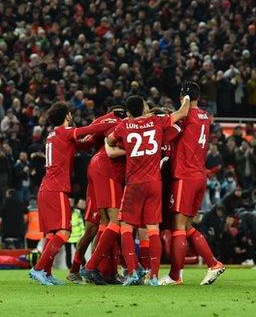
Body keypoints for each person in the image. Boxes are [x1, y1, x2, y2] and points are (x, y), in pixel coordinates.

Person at [103, 93, 190, 286]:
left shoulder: (123, 125)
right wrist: (185, 97)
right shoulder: (156, 121)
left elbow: (109, 141)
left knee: (126, 227)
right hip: (154, 183)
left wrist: (125, 146)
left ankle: (133, 270)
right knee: (153, 228)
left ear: (129, 112)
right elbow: (183, 112)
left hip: (134, 183)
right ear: (143, 108)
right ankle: (154, 276)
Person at [28, 102, 116, 286]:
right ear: (67, 116)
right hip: (56, 188)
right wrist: (114, 120)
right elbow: (91, 129)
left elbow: (85, 143)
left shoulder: (53, 136)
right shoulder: (64, 132)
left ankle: (46, 272)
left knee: (52, 234)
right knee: (64, 232)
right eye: (69, 115)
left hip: (46, 188)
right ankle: (38, 269)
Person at [161, 82, 225, 286]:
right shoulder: (205, 117)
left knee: (178, 226)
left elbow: (166, 132)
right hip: (199, 175)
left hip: (185, 176)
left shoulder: (185, 117)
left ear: (183, 98)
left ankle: (174, 276)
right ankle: (213, 263)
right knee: (188, 226)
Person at [77, 108, 128, 285]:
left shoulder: (111, 120)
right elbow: (110, 150)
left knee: (104, 224)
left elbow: (89, 136)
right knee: (114, 223)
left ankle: (106, 271)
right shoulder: (119, 122)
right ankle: (88, 268)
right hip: (107, 171)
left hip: (100, 169)